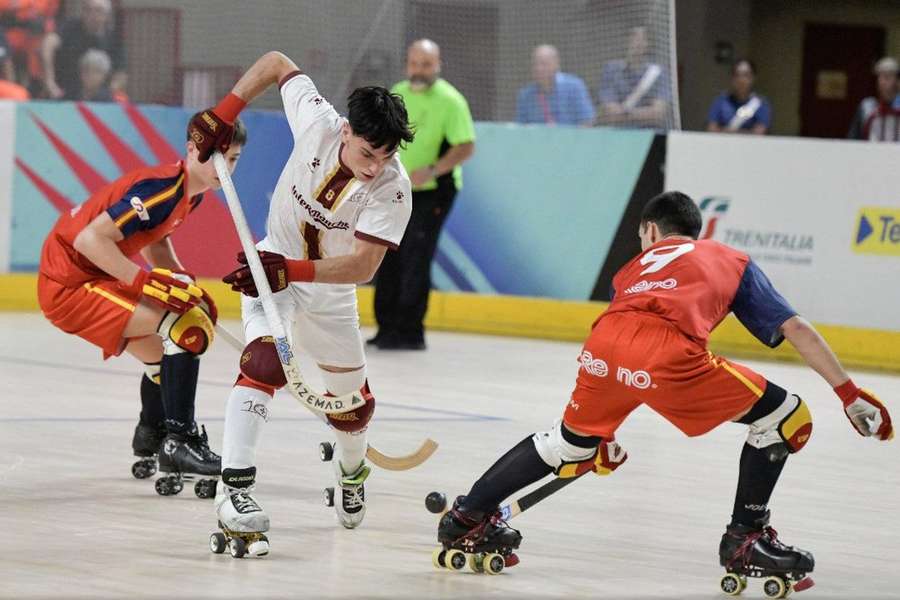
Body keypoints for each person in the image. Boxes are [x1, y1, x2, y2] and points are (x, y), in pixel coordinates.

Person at [436, 191, 893, 586]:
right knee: (786, 416)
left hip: (603, 342)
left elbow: (626, 358)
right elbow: (794, 327)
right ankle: (744, 538)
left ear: (651, 231)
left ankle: (466, 517)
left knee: (569, 444)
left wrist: (601, 440)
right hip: (667, 353)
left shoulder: (633, 269)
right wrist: (849, 394)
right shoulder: (729, 258)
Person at [192, 50, 413, 551]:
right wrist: (225, 113)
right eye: (367, 154)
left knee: (353, 411)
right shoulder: (316, 120)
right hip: (274, 272)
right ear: (346, 133)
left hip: (330, 292)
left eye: (386, 157)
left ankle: (351, 473)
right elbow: (275, 62)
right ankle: (234, 492)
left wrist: (286, 270)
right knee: (265, 362)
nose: (376, 168)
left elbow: (362, 267)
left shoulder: (393, 190)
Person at [36, 112, 246, 492]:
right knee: (188, 331)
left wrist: (181, 280)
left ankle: (152, 434)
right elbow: (89, 241)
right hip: (70, 282)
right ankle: (178, 441)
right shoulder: (163, 189)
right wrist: (146, 283)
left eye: (232, 160)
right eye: (217, 156)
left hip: (91, 273)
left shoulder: (187, 193)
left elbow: (153, 237)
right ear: (192, 149)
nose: (225, 167)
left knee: (162, 357)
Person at [369, 39, 475, 350]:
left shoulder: (451, 101)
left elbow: (465, 146)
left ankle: (410, 331)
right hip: (394, 188)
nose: (419, 71)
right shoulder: (397, 91)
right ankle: (386, 327)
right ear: (407, 64)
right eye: (415, 63)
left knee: (416, 258)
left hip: (432, 192)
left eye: (426, 65)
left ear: (438, 64)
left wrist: (431, 170)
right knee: (387, 254)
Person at [41, 0, 125, 100]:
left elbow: (121, 74)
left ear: (107, 15)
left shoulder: (114, 40)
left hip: (100, 98)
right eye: (88, 10)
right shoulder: (70, 27)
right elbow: (48, 44)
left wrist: (107, 94)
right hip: (65, 93)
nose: (92, 15)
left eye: (98, 11)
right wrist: (50, 82)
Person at [597, 26, 670, 129]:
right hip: (619, 134)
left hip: (650, 134)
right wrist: (644, 113)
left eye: (643, 39)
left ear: (649, 44)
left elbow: (658, 113)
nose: (638, 43)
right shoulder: (611, 69)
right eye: (634, 38)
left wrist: (624, 113)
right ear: (626, 42)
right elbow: (610, 112)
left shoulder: (659, 73)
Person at [516, 44, 594, 126]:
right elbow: (521, 128)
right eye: (535, 64)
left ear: (556, 65)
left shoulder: (574, 86)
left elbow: (587, 121)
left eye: (544, 64)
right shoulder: (525, 95)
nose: (538, 68)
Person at [707, 59, 771, 134]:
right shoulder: (720, 102)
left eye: (746, 75)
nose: (741, 80)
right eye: (737, 75)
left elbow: (759, 132)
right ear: (732, 78)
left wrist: (726, 131)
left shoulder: (761, 104)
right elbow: (711, 129)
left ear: (753, 78)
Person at [848, 56, 900, 142]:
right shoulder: (866, 107)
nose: (889, 84)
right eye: (884, 77)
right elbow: (853, 139)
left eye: (893, 78)